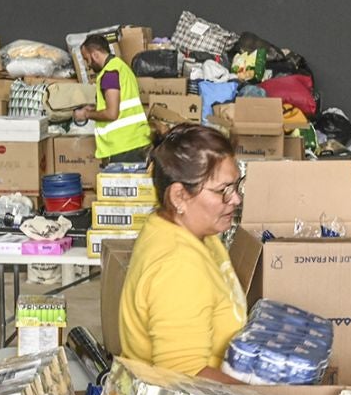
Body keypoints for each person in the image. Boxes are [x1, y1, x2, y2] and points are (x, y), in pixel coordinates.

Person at [118, 125, 248, 377]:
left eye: (236, 186)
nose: (235, 199)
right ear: (179, 196)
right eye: (223, 190)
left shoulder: (189, 232)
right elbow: (185, 379)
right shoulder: (178, 266)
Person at [75, 35, 152, 166]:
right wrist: (94, 110)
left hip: (123, 147)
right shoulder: (122, 67)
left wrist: (86, 114)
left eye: (87, 59)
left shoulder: (109, 73)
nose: (88, 64)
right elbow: (121, 105)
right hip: (136, 142)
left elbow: (112, 113)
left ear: (95, 55)